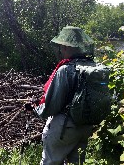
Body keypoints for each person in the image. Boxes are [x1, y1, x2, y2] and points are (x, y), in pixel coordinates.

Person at [28, 26, 95, 165]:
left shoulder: (66, 70)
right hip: (85, 127)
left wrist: (36, 109)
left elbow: (52, 105)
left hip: (65, 127)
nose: (60, 50)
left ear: (66, 47)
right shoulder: (92, 67)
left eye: (62, 46)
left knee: (50, 161)